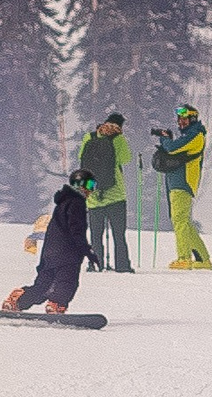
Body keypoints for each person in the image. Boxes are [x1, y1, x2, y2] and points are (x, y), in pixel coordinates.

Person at [20, 171, 100, 313]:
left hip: (50, 253)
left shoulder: (63, 203)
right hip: (67, 254)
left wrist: (45, 257)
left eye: (93, 185)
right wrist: (88, 251)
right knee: (67, 283)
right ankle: (56, 305)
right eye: (88, 185)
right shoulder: (77, 203)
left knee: (43, 286)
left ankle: (18, 301)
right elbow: (76, 231)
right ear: (79, 185)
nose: (90, 190)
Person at [72, 113, 136, 273]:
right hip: (115, 195)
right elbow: (126, 158)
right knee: (119, 235)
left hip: (93, 194)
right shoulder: (118, 139)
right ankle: (122, 266)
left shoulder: (90, 137)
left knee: (96, 235)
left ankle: (95, 264)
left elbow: (81, 157)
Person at [152, 104, 212, 270]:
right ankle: (203, 259)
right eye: (179, 119)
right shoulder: (189, 135)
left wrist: (165, 139)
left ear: (192, 119)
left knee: (179, 220)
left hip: (183, 183)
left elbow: (172, 148)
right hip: (177, 182)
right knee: (183, 221)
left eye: (185, 119)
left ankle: (184, 258)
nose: (181, 122)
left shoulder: (196, 135)